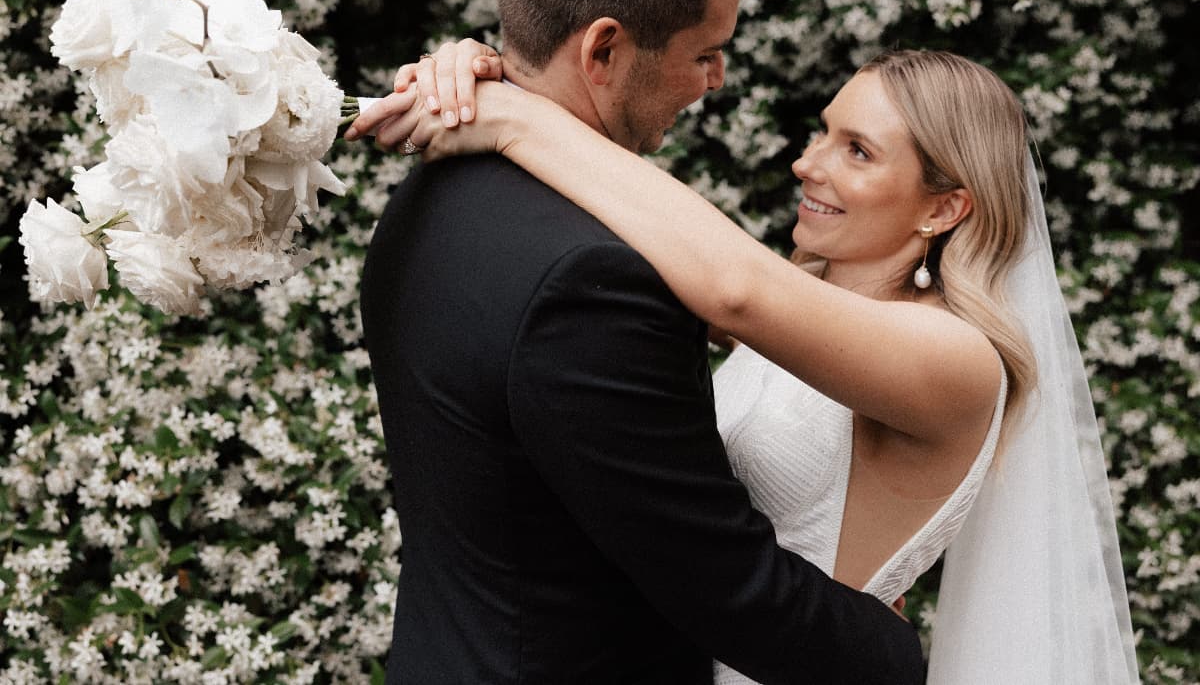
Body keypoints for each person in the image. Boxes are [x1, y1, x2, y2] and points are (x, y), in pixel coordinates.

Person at [352, 43, 1141, 684]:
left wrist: (517, 118)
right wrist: (478, 70)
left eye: (857, 151)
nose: (809, 164)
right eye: (821, 132)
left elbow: (731, 285)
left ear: (943, 208)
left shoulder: (956, 358)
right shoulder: (804, 299)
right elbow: (650, 241)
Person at [352, 0, 925, 685]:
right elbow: (728, 589)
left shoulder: (432, 188)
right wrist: (893, 650)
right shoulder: (591, 280)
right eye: (703, 52)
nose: (716, 78)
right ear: (604, 51)